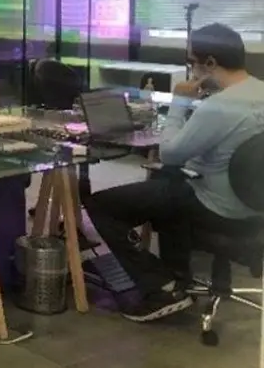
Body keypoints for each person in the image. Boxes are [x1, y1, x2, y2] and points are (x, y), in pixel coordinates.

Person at [86, 23, 264, 323]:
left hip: (217, 207)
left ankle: (162, 288)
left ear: (210, 63)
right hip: (255, 207)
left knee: (102, 205)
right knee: (166, 182)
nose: (191, 70)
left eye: (192, 63)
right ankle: (177, 276)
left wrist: (179, 102)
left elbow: (169, 153)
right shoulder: (258, 90)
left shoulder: (220, 107)